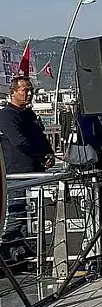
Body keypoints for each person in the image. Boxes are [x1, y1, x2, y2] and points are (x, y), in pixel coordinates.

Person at [0, 77, 53, 267]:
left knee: (33, 217)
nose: (28, 93)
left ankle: (22, 254)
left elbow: (39, 136)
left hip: (36, 171)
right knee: (16, 213)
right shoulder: (7, 115)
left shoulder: (29, 115)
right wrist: (39, 155)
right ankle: (7, 253)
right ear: (13, 92)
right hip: (17, 173)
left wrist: (49, 154)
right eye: (24, 90)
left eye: (30, 90)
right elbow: (19, 140)